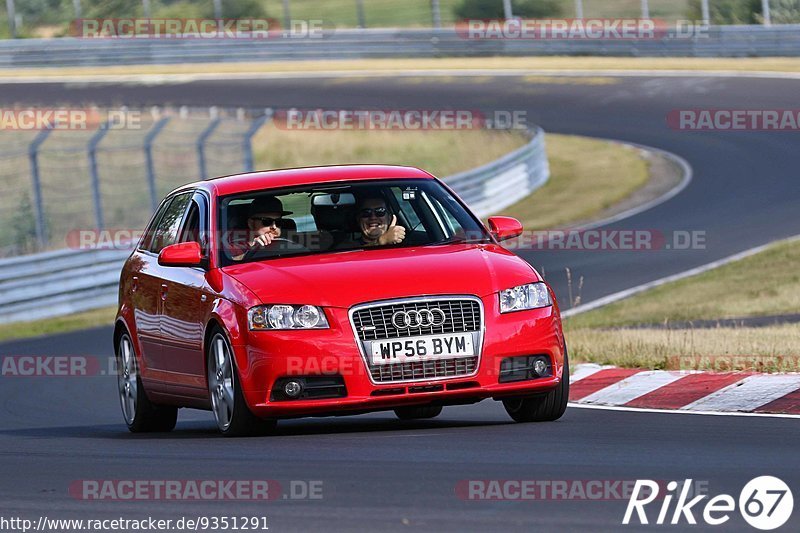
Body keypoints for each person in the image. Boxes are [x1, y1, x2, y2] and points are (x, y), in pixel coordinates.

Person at [227, 196, 292, 260]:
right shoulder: (237, 246)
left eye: (278, 222)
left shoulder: (292, 241)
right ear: (251, 224)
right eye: (267, 221)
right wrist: (253, 250)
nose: (274, 227)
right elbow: (230, 264)